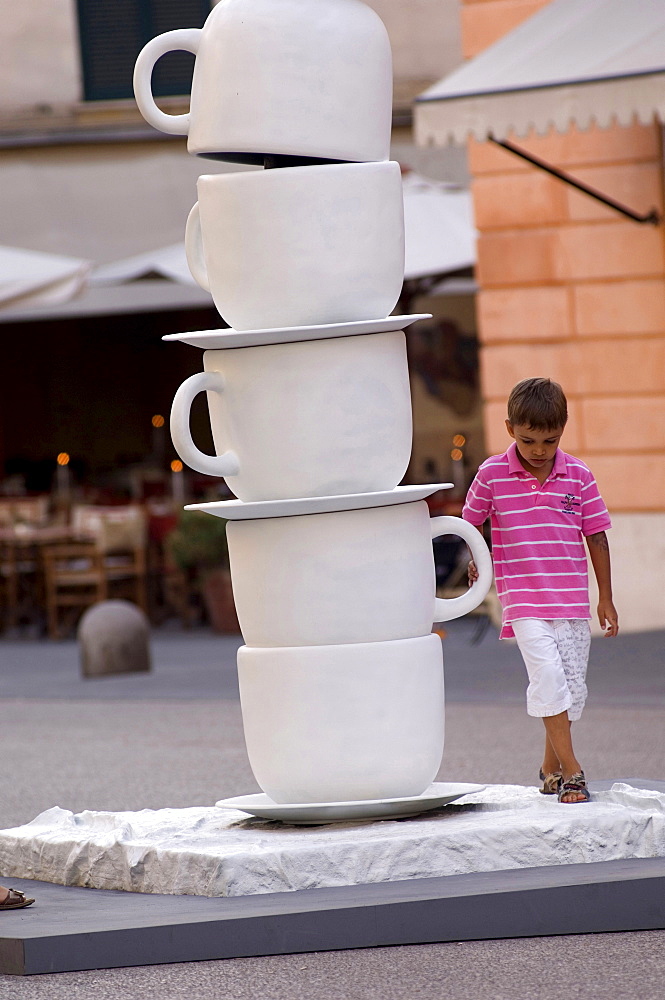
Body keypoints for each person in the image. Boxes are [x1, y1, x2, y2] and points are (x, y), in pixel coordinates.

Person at [463, 377, 619, 804]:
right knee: (549, 678)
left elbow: (598, 536)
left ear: (563, 429)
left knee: (572, 689)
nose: (539, 450)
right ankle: (573, 772)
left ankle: (549, 768)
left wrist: (605, 598)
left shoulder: (580, 475)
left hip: (572, 601)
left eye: (550, 441)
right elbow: (471, 519)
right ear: (510, 427)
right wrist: (477, 557)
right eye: (529, 439)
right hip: (524, 600)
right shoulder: (492, 473)